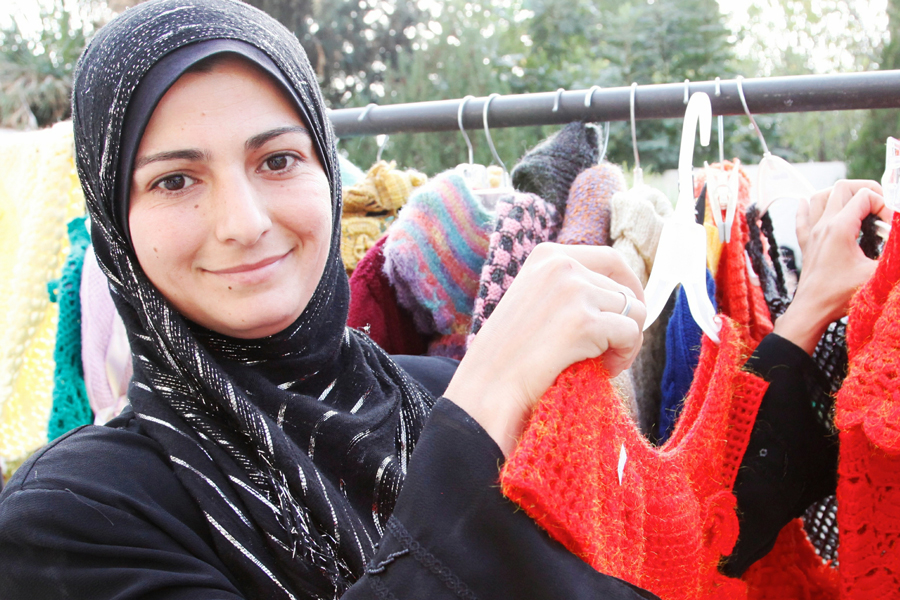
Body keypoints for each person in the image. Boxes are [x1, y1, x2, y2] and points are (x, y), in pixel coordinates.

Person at [0, 0, 889, 598]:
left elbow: (692, 539)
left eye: (278, 160)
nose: (242, 221)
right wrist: (489, 394)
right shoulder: (69, 519)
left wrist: (803, 316)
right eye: (173, 182)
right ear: (113, 217)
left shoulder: (423, 393)